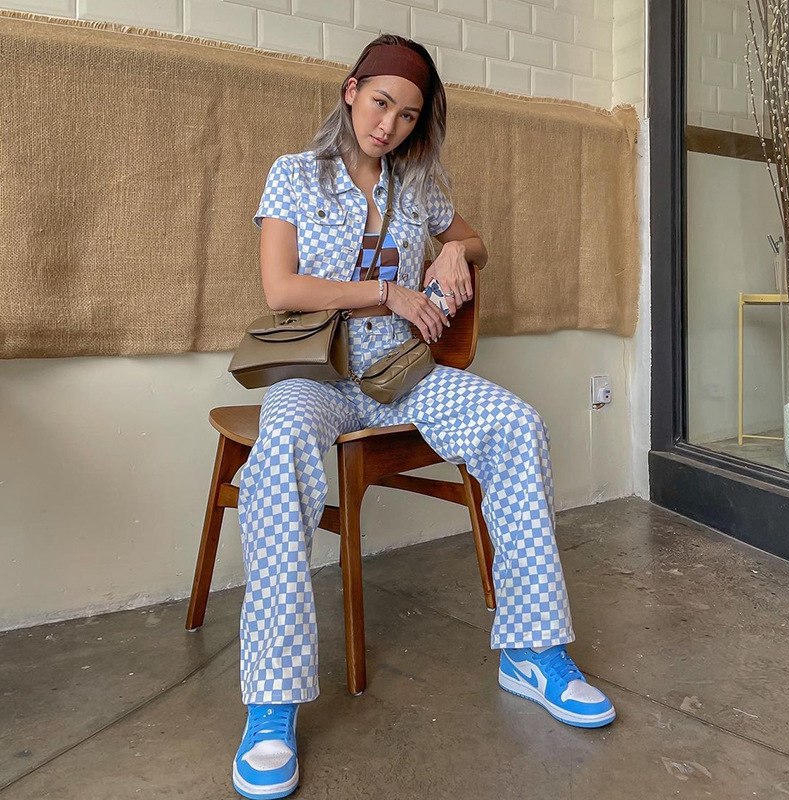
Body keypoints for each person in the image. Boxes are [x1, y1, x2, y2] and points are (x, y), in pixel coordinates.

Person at [232, 33, 615, 800]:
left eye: (407, 116)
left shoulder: (421, 183)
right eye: (380, 105)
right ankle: (270, 701)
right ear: (350, 91)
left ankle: (532, 650)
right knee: (280, 454)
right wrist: (389, 294)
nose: (389, 126)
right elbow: (281, 289)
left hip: (406, 375)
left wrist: (455, 254)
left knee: (515, 424)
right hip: (317, 375)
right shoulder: (293, 175)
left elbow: (471, 240)